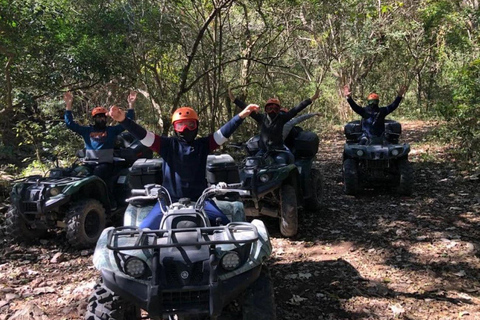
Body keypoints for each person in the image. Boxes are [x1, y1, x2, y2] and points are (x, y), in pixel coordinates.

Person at [108, 103, 259, 229]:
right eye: (181, 125)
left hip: (201, 200)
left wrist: (241, 116)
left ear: (196, 126)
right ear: (175, 127)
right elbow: (143, 135)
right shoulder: (167, 145)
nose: (185, 129)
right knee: (143, 231)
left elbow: (223, 132)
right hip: (168, 201)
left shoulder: (203, 145)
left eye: (190, 124)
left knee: (226, 227)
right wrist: (123, 120)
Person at [64, 91, 137, 207]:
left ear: (106, 118)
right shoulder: (87, 131)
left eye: (103, 117)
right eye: (98, 117)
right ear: (94, 118)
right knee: (75, 174)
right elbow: (70, 124)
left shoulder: (111, 131)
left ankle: (109, 203)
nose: (101, 119)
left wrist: (131, 106)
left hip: (105, 165)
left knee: (99, 178)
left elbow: (127, 122)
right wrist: (68, 105)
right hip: (88, 164)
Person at [229, 88, 320, 163]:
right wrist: (234, 100)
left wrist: (311, 99)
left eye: (275, 109)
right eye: (269, 108)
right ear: (265, 109)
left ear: (279, 110)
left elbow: (297, 109)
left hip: (279, 150)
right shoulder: (261, 118)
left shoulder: (282, 119)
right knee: (250, 163)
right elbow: (247, 109)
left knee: (285, 164)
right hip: (263, 150)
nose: (272, 111)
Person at [343, 84, 407, 144]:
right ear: (368, 102)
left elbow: (393, 106)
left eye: (374, 101)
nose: (373, 103)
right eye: (371, 101)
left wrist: (399, 96)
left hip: (380, 137)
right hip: (365, 137)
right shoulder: (364, 111)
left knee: (390, 147)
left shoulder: (382, 111)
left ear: (377, 102)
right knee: (358, 148)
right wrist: (348, 97)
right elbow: (354, 106)